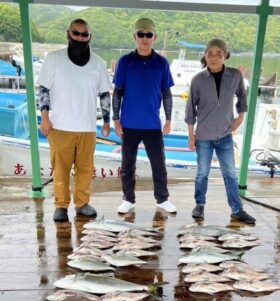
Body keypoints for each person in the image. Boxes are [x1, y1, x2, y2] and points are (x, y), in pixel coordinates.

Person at [38, 18, 112, 222]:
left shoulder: (99, 63)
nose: (80, 37)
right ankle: (61, 205)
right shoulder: (53, 59)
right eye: (76, 33)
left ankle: (82, 203)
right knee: (60, 169)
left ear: (90, 37)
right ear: (68, 34)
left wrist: (106, 122)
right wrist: (45, 117)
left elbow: (105, 94)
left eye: (84, 34)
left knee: (85, 169)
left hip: (87, 127)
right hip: (60, 125)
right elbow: (44, 90)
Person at [185, 38, 256, 225]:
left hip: (225, 135)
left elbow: (242, 98)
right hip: (203, 137)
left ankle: (237, 209)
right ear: (205, 56)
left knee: (231, 174)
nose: (214, 58)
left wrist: (240, 118)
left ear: (225, 56)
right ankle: (199, 205)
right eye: (210, 54)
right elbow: (190, 110)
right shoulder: (198, 80)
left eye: (219, 54)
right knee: (202, 173)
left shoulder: (235, 76)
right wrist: (191, 135)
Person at [112, 18, 177, 215]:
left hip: (152, 124)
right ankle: (128, 199)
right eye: (141, 34)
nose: (145, 38)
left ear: (154, 37)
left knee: (158, 163)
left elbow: (166, 93)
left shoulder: (162, 63)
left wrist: (168, 119)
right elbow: (118, 92)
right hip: (129, 124)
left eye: (149, 35)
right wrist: (115, 119)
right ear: (135, 36)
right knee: (127, 163)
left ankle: (162, 199)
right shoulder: (125, 61)